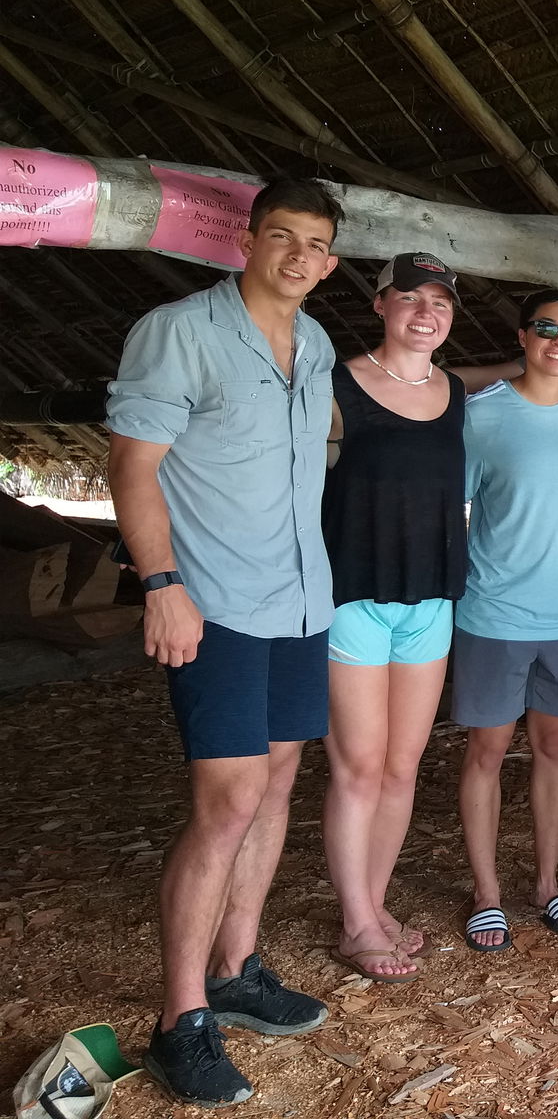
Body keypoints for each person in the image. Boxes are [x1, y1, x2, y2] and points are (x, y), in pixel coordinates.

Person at [106, 179, 343, 1107]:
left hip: (301, 601)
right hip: (217, 605)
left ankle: (237, 969)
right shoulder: (179, 330)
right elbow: (132, 465)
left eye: (315, 243)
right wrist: (161, 586)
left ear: (328, 259)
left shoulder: (316, 342)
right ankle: (179, 1019)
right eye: (280, 235)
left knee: (279, 776)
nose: (296, 255)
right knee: (229, 801)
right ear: (245, 239)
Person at [320, 253, 467, 983]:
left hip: (429, 598)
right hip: (354, 596)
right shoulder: (338, 385)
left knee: (403, 766)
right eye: (408, 297)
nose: (423, 311)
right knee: (358, 766)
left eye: (438, 301)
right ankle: (354, 922)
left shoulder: (456, 390)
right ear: (379, 304)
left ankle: (374, 906)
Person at [455, 291, 558, 948]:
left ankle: (545, 883)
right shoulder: (483, 416)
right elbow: (450, 509)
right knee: (486, 751)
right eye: (548, 329)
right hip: (496, 612)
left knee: (552, 746)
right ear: (522, 336)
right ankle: (487, 893)